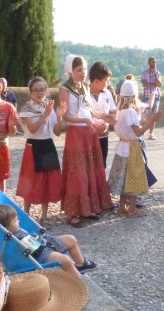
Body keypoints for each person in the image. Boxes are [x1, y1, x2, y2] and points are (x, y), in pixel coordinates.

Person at [59, 55, 113, 228]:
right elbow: (66, 116)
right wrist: (85, 122)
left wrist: (103, 117)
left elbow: (88, 112)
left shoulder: (84, 88)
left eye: (83, 69)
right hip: (76, 133)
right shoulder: (65, 89)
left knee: (91, 169)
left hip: (88, 131)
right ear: (70, 71)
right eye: (78, 70)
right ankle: (73, 212)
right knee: (78, 172)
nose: (83, 73)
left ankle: (88, 208)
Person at [0, 204, 97, 277]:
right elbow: (29, 254)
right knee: (65, 260)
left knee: (70, 239)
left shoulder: (14, 232)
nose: (18, 221)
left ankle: (80, 264)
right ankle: (79, 283)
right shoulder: (11, 239)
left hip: (43, 244)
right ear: (5, 227)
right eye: (15, 220)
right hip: (40, 255)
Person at [107, 79, 161, 217]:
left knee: (123, 178)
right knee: (134, 178)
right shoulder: (130, 111)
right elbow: (138, 132)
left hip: (122, 147)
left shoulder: (120, 110)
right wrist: (152, 120)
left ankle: (122, 207)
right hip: (132, 148)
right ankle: (132, 209)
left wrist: (142, 121)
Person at [16, 77, 65, 227]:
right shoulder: (28, 108)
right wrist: (45, 114)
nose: (39, 93)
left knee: (47, 180)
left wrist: (59, 115)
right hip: (34, 146)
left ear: (46, 91)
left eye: (42, 90)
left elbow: (57, 132)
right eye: (36, 90)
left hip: (48, 145)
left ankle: (44, 215)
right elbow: (32, 129)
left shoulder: (48, 106)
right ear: (30, 92)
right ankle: (26, 213)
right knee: (31, 180)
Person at [89, 65, 117, 168]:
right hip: (89, 136)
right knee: (90, 166)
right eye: (106, 81)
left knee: (102, 165)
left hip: (104, 136)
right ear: (96, 81)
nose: (107, 83)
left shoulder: (107, 93)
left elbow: (113, 112)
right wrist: (93, 125)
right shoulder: (84, 94)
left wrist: (107, 123)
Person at [141, 57, 162, 140]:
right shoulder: (144, 72)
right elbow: (144, 84)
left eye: (155, 62)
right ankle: (141, 132)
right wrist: (154, 85)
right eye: (152, 62)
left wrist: (155, 75)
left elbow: (159, 85)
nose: (154, 64)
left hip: (156, 96)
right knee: (144, 115)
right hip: (147, 96)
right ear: (149, 63)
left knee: (154, 115)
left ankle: (151, 133)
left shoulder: (157, 73)